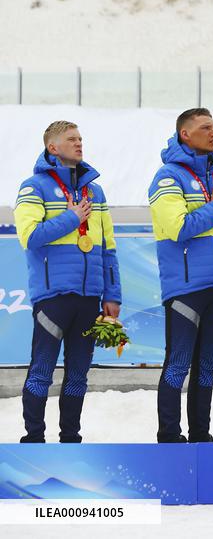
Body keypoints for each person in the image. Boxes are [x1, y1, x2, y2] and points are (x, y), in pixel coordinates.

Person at [14, 121, 122, 443]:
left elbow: (108, 247)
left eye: (80, 138)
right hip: (53, 297)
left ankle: (71, 439)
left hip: (90, 297)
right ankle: (33, 439)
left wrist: (112, 294)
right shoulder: (34, 187)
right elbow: (30, 237)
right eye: (71, 139)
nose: (79, 143)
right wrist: (71, 218)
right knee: (42, 372)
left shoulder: (95, 191)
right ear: (53, 147)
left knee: (78, 375)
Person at [149, 108, 213, 443]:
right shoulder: (167, 177)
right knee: (178, 363)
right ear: (185, 134)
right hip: (186, 287)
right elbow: (177, 228)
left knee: (207, 368)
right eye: (206, 127)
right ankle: (168, 435)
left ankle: (201, 435)